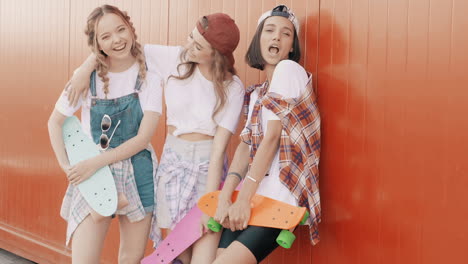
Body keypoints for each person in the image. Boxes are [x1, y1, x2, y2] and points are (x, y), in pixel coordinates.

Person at [67, 13, 244, 264]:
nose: (188, 47)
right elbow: (119, 46)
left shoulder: (232, 86)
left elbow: (218, 151)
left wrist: (210, 204)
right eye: (190, 38)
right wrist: (84, 69)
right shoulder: (174, 59)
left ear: (216, 55)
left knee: (204, 258)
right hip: (173, 166)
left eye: (198, 46)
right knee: (177, 256)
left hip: (208, 169)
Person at [47, 5, 162, 263]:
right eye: (106, 36)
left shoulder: (150, 77)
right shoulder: (87, 78)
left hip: (137, 169)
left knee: (130, 258)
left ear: (131, 29)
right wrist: (68, 168)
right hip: (94, 175)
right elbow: (54, 123)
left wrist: (95, 162)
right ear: (96, 43)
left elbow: (142, 139)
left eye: (121, 29)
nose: (117, 40)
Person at [211, 5, 321, 264]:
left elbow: (272, 138)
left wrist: (243, 199)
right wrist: (227, 195)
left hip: (279, 198)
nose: (276, 38)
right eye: (269, 31)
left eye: (286, 34)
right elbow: (244, 147)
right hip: (252, 194)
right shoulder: (259, 93)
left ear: (292, 47)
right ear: (258, 39)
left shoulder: (288, 70)